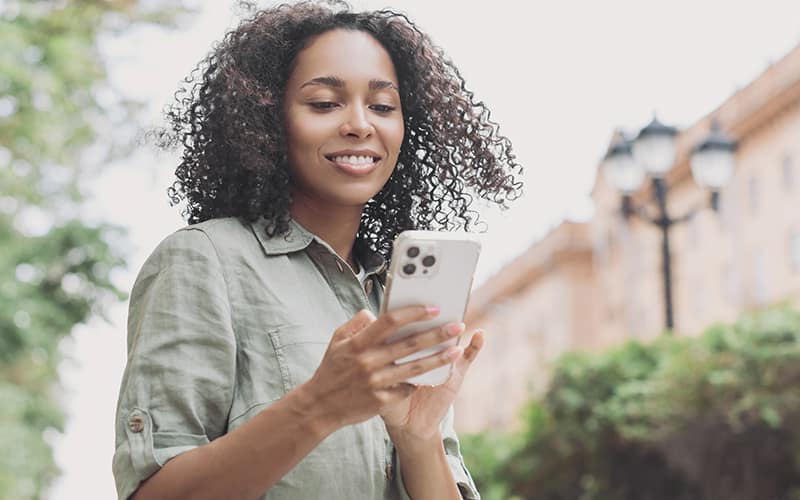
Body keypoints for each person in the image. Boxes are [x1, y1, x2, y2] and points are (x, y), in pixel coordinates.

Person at [113, 2, 522, 499]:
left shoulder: (395, 299)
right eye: (325, 103)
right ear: (267, 121)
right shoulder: (204, 261)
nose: (359, 124)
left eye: (383, 106)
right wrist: (319, 406)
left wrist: (420, 439)